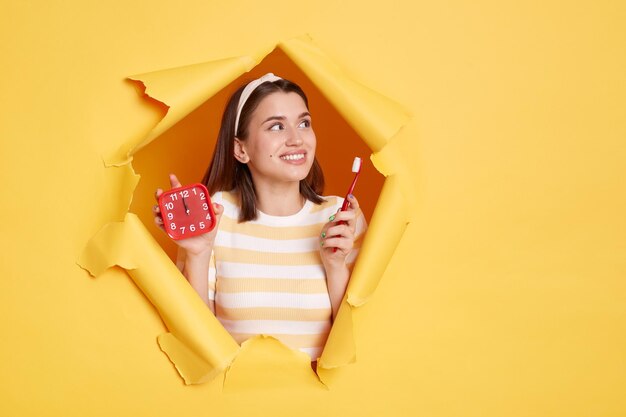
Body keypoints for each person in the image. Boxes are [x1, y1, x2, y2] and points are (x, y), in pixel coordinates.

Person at [153, 73, 366, 360]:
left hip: (321, 400)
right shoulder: (217, 214)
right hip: (233, 399)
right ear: (241, 149)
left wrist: (336, 266)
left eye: (304, 123)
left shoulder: (340, 216)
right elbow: (196, 344)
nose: (297, 139)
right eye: (277, 126)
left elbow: (359, 341)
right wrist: (198, 254)